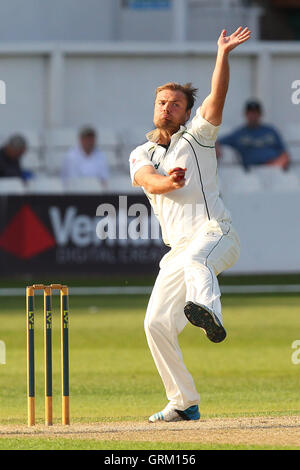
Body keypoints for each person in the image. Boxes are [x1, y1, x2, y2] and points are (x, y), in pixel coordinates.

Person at [129, 27, 251, 423]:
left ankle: (208, 312)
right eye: (162, 102)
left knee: (200, 260)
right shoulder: (141, 152)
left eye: (176, 104)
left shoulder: (198, 136)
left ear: (186, 112)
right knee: (155, 324)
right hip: (176, 250)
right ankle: (184, 401)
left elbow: (217, 99)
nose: (167, 108)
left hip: (216, 232)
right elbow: (149, 181)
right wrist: (170, 183)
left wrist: (223, 55)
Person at [216, 100, 290, 170]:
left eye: (255, 113)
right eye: (250, 113)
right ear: (245, 114)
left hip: (274, 169)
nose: (253, 116)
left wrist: (275, 165)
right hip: (252, 172)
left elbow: (285, 154)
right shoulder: (239, 133)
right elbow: (217, 142)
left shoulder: (271, 131)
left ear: (260, 114)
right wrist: (217, 147)